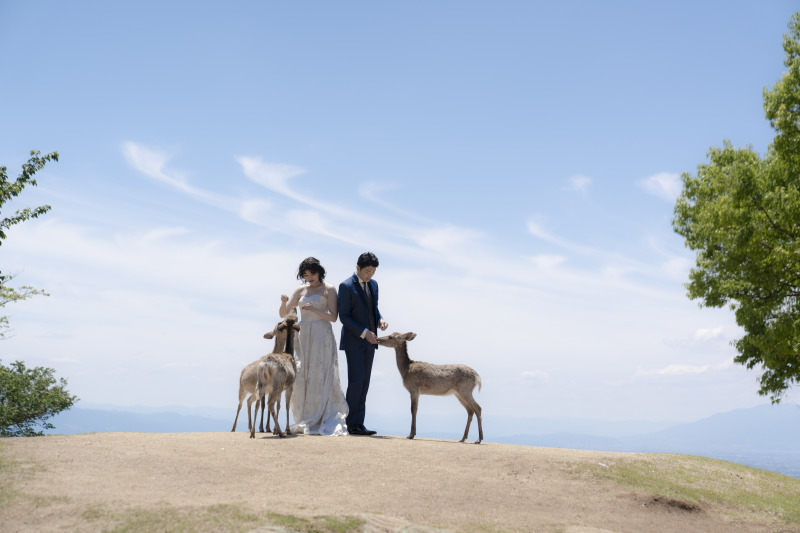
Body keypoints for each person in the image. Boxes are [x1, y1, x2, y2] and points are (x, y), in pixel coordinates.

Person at [280, 257, 349, 436]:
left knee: (321, 372)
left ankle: (321, 415)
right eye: (305, 275)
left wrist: (315, 310)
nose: (309, 277)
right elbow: (283, 313)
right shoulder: (300, 290)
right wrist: (283, 302)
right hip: (303, 335)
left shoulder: (329, 289)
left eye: (312, 273)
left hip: (322, 333)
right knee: (303, 374)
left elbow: (334, 317)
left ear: (319, 271)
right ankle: (305, 415)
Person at [338, 252, 388, 436]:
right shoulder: (345, 286)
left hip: (371, 341)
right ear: (357, 268)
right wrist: (364, 332)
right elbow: (344, 317)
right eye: (367, 271)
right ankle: (350, 423)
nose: (370, 275)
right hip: (354, 340)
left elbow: (373, 308)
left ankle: (360, 423)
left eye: (373, 271)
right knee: (356, 381)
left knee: (365, 382)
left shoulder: (374, 284)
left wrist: (380, 319)